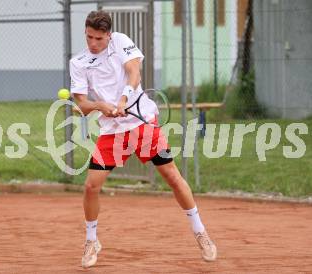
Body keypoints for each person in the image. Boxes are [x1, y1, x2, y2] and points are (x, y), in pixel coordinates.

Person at [70, 10, 217, 268]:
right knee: (91, 186)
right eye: (89, 37)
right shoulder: (79, 62)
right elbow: (81, 104)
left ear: (109, 35)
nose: (93, 43)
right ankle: (91, 240)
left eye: (98, 38)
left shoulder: (121, 41)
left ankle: (200, 232)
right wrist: (100, 106)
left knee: (172, 176)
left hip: (142, 122)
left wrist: (124, 99)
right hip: (112, 132)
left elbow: (133, 71)